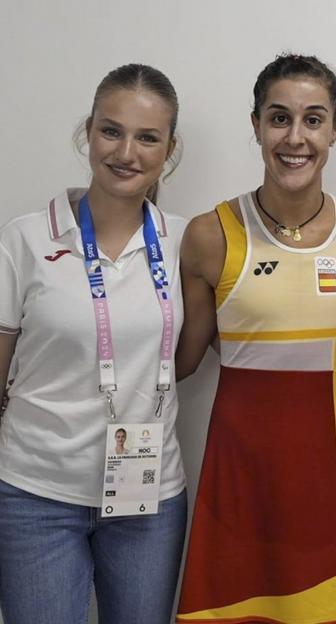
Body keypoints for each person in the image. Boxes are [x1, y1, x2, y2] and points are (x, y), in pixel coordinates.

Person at [175, 54, 336, 624]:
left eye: (313, 119)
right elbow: (177, 364)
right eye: (279, 118)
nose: (295, 137)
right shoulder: (209, 235)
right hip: (242, 498)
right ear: (255, 125)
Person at [0, 64, 188, 624]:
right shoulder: (27, 237)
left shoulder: (185, 240)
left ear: (169, 148)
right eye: (112, 130)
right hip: (35, 495)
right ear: (89, 131)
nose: (126, 151)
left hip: (148, 500)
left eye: (147, 136)